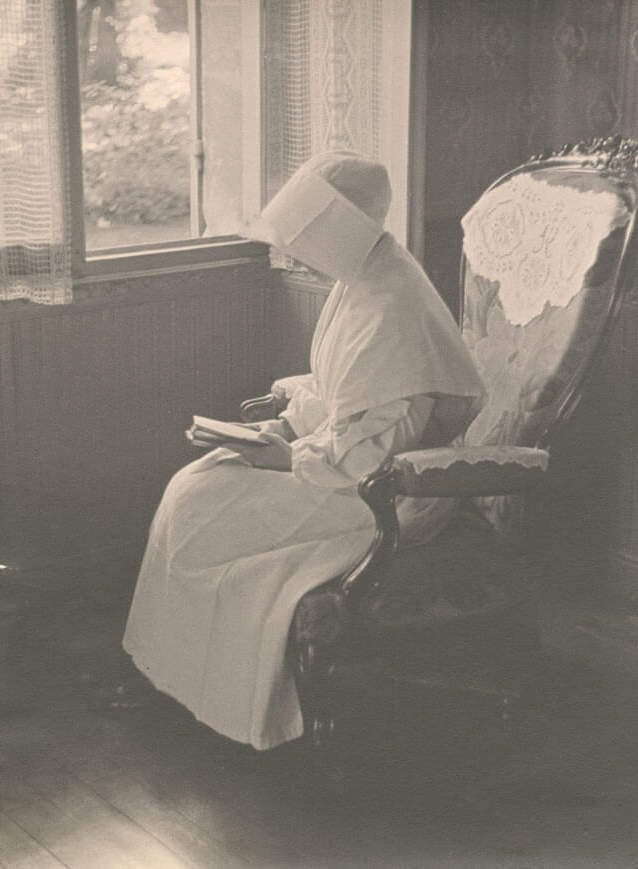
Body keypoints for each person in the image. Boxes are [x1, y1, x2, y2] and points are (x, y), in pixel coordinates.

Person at [123, 152, 485, 750]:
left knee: (199, 504)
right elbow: (344, 396)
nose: (297, 253)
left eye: (305, 238)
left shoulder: (395, 302)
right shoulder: (365, 278)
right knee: (198, 481)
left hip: (383, 494)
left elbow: (376, 449)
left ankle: (217, 690)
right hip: (338, 467)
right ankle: (179, 678)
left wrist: (289, 458)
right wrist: (288, 422)